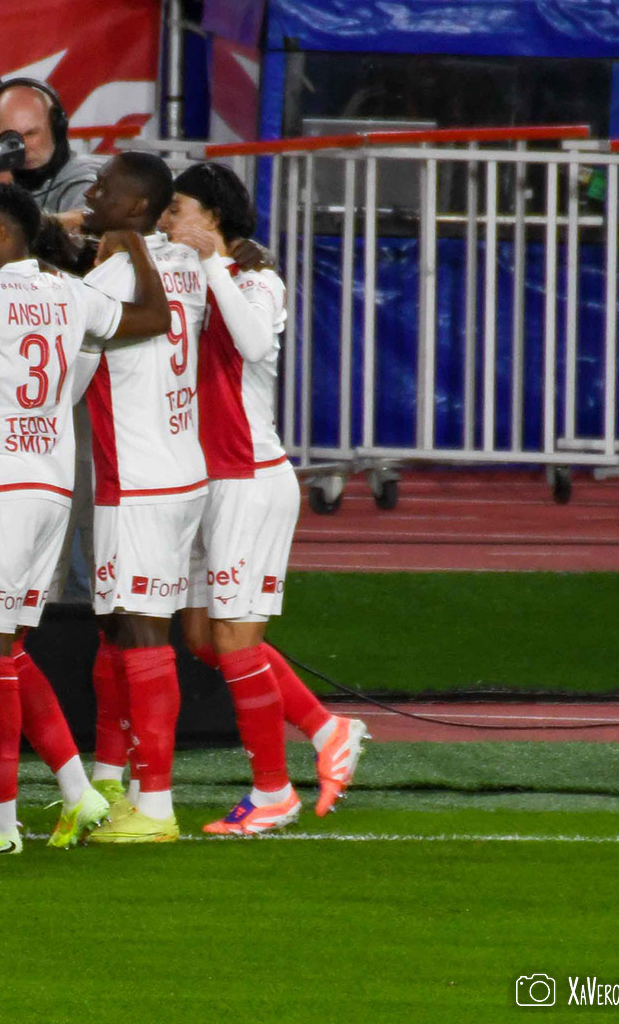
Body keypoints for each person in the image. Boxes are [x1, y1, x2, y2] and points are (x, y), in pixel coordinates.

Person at [0, 182, 172, 856]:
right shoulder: (69, 292)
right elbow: (153, 317)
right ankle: (77, 790)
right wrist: (137, 246)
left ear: (1, 235)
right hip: (51, 487)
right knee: (4, 649)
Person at [161, 162, 369, 835]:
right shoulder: (187, 272)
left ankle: (272, 791)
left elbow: (252, 344)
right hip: (204, 480)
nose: (167, 220)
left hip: (249, 478)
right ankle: (326, 728)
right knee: (204, 638)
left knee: (235, 639)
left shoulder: (257, 279)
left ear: (213, 216)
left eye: (178, 208)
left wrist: (214, 262)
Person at [48, 152, 210, 845]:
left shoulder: (113, 281)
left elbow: (66, 380)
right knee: (118, 627)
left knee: (141, 631)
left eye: (105, 187)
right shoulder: (187, 264)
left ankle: (157, 804)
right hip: (179, 469)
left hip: (138, 480)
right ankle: (114, 777)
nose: (91, 191)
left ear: (137, 207)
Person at [0, 79, 101, 214]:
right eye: (11, 137)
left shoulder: (82, 182)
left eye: (31, 134)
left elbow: (86, 217)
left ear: (56, 128)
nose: (23, 147)